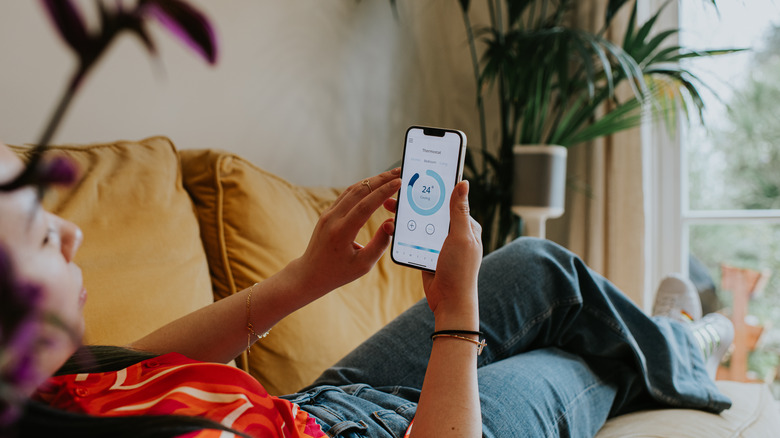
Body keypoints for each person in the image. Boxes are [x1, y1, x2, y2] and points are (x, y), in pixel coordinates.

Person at [0, 140, 734, 438]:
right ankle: (690, 341)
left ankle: (674, 339)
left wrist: (304, 279)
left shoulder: (57, 386)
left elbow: (144, 361)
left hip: (317, 405)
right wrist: (456, 314)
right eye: (41, 237)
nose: (74, 235)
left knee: (541, 264)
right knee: (588, 362)